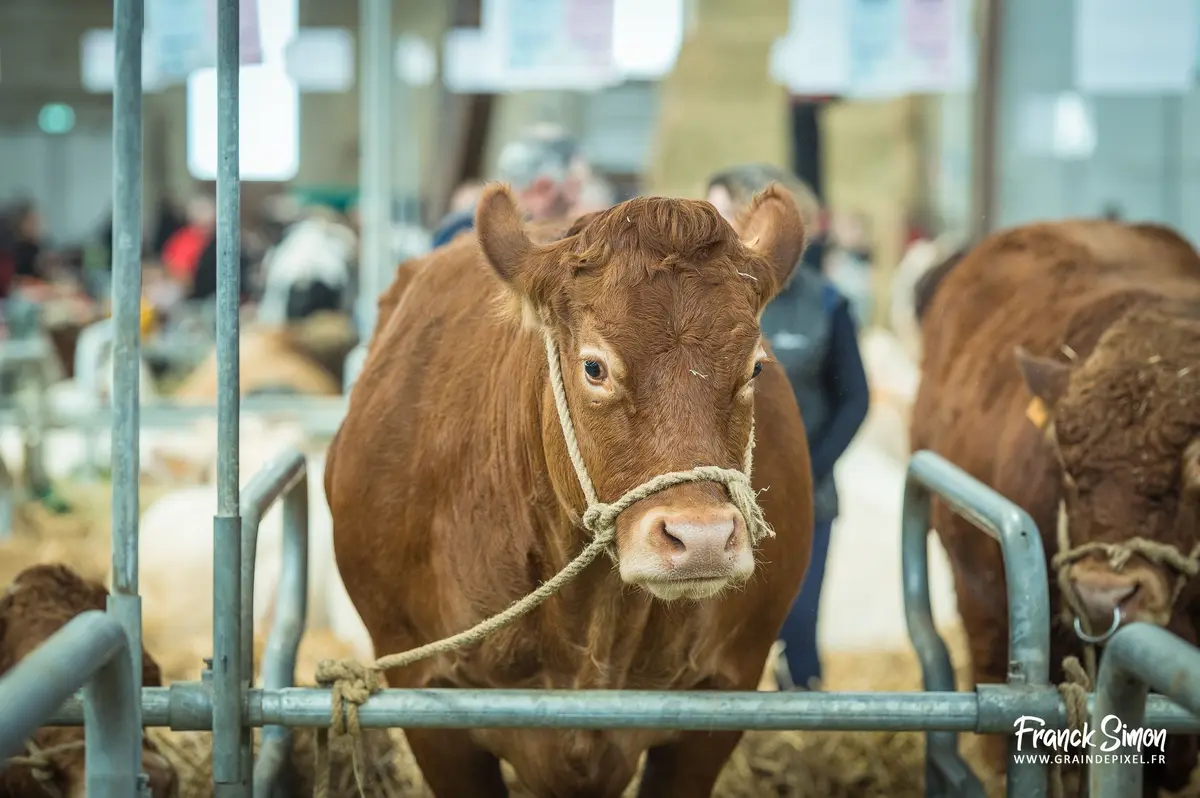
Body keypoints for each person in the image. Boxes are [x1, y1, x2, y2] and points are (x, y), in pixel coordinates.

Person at [705, 163, 871, 691]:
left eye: (727, 214)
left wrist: (808, 470)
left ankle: (803, 711)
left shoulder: (826, 304)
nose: (716, 227)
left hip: (803, 495)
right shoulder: (693, 304)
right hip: (717, 495)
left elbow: (855, 400)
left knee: (796, 623)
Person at [429, 126, 587, 249]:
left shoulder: (486, 229)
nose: (575, 204)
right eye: (574, 191)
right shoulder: (469, 235)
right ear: (543, 188)